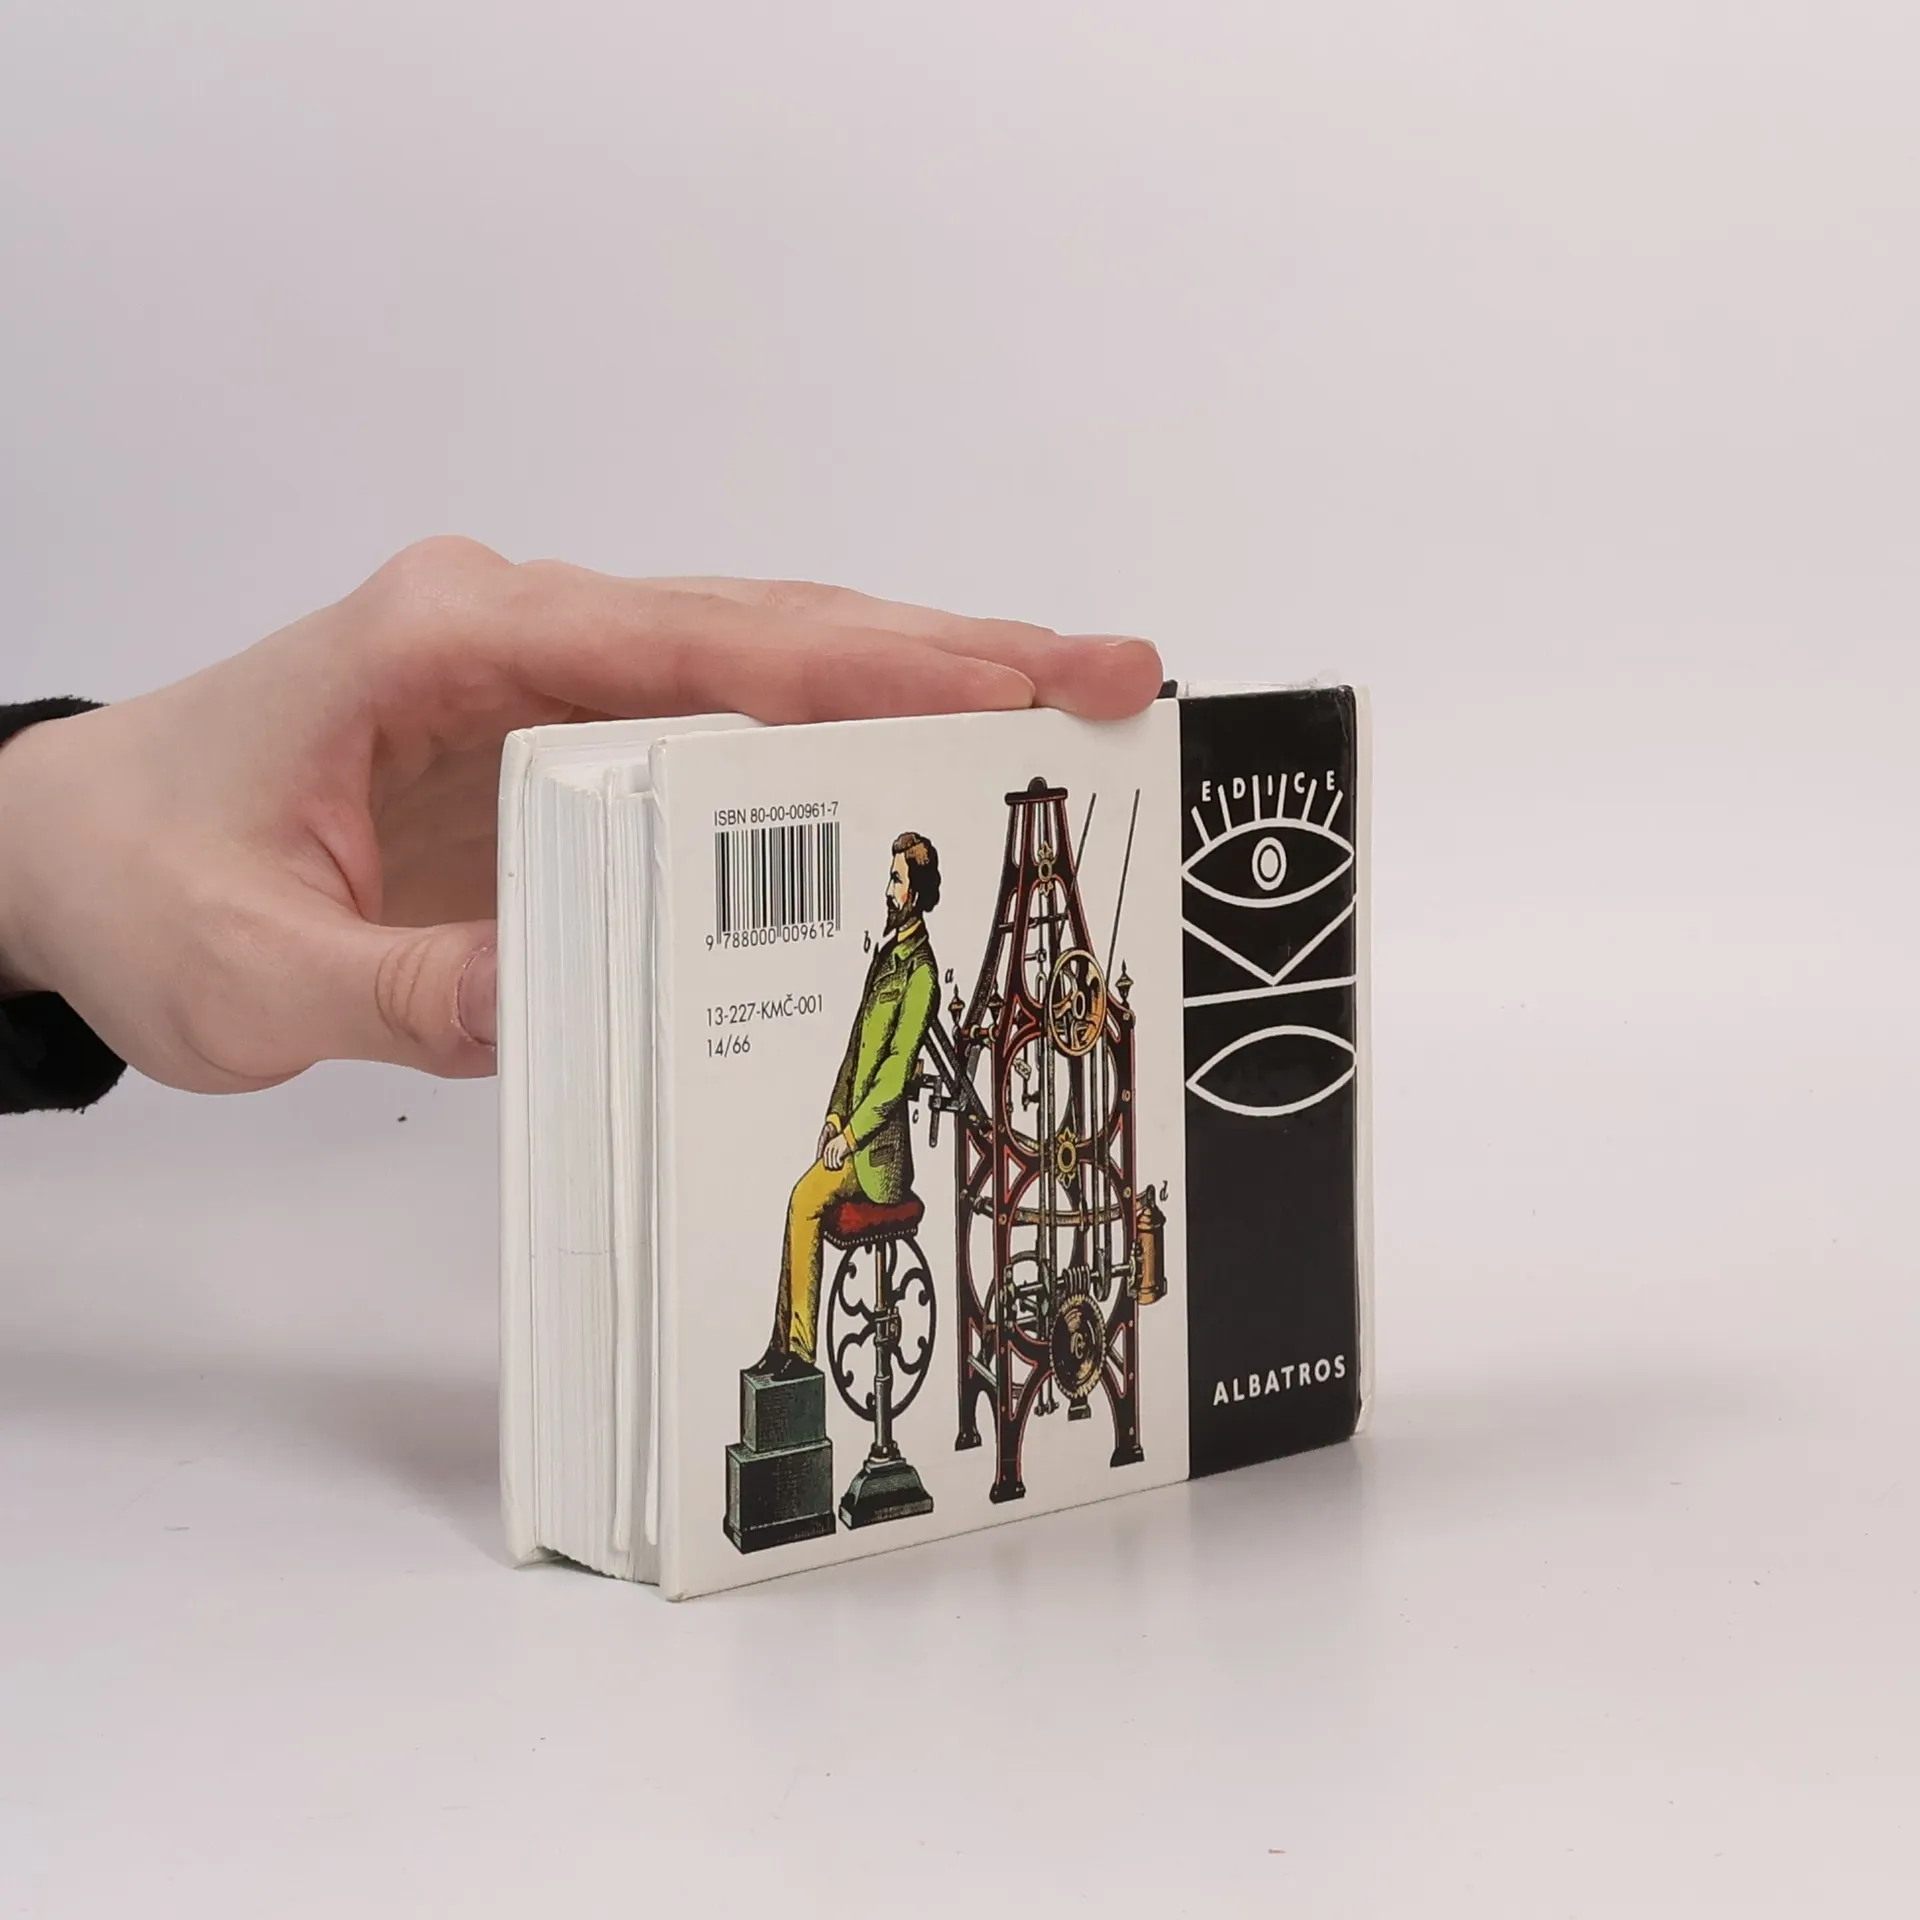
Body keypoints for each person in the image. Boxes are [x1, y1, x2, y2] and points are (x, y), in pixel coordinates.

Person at [0, 537, 1162, 1116]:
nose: (899, 893)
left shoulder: (912, 964)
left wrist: (36, 836)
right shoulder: (910, 959)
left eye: (905, 883)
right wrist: (48, 850)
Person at [758, 831, 941, 1380]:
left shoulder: (922, 973)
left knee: (804, 1200)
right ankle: (781, 1345)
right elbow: (856, 1050)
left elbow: (893, 1076)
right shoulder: (885, 958)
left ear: (916, 893)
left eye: (896, 880)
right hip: (853, 1139)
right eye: (889, 878)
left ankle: (800, 1354)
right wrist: (833, 1117)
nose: (888, 890)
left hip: (878, 1160)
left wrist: (852, 1135)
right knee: (799, 1202)